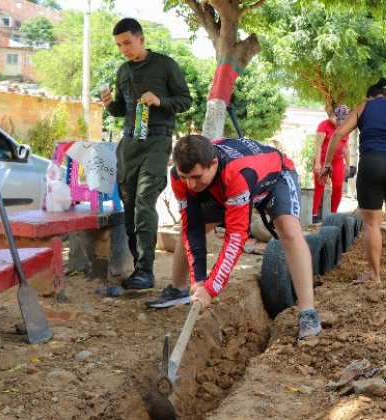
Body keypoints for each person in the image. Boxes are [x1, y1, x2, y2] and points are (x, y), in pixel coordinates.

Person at [145, 135, 322, 340]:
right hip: (221, 186)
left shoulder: (237, 173)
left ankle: (308, 312)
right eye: (185, 177)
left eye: (195, 177)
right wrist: (198, 282)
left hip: (275, 178)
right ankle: (179, 289)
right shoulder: (181, 176)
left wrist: (210, 289)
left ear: (212, 164)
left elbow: (236, 237)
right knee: (193, 229)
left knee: (289, 230)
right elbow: (191, 228)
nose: (190, 185)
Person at [101, 18, 191, 289]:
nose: (124, 49)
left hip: (157, 141)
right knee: (129, 205)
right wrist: (109, 105)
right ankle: (138, 268)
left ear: (141, 39)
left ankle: (145, 270)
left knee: (144, 199)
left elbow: (186, 101)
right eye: (119, 45)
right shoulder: (122, 71)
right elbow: (121, 110)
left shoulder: (166, 65)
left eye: (127, 42)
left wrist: (159, 100)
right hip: (128, 144)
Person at [320, 77, 386, 283]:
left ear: (369, 97)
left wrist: (328, 164)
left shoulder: (363, 107)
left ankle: (374, 275)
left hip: (371, 163)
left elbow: (338, 134)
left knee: (372, 223)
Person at [312, 105, 351, 222]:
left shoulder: (345, 127)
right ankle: (314, 214)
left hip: (338, 160)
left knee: (338, 187)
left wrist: (348, 164)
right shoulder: (323, 125)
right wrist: (318, 163)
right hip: (323, 159)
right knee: (320, 186)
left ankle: (333, 214)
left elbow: (346, 148)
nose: (338, 122)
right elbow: (318, 145)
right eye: (336, 118)